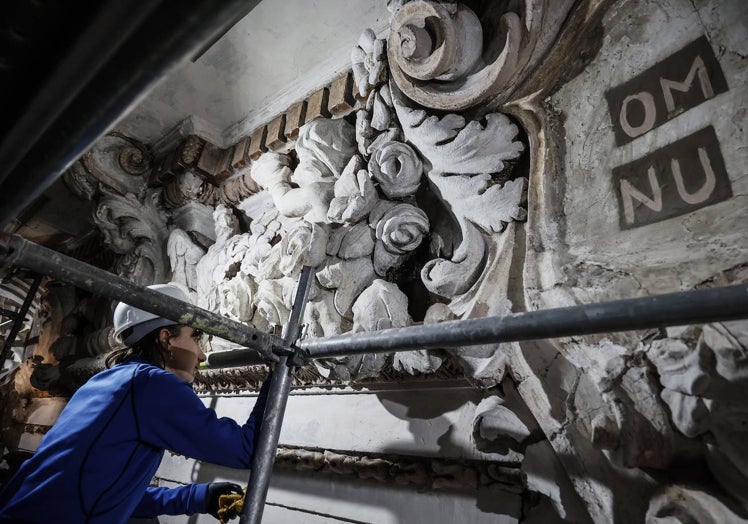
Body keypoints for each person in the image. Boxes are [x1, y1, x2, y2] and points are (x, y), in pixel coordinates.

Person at [0, 284, 273, 523]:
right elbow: (246, 451)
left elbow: (109, 493)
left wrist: (196, 496)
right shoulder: (152, 384)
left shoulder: (106, 382)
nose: (201, 354)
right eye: (194, 337)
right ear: (166, 338)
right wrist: (276, 376)